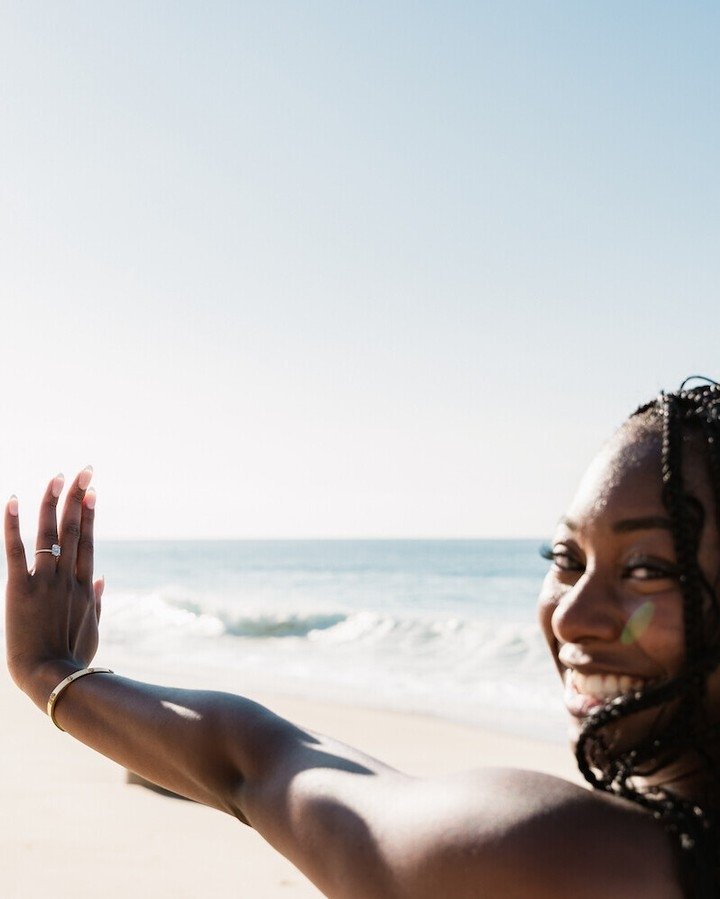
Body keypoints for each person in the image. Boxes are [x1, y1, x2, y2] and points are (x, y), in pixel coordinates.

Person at [6, 380, 720, 898]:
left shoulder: (560, 856)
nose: (572, 616)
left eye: (649, 569)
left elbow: (253, 765)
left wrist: (47, 672)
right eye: (565, 560)